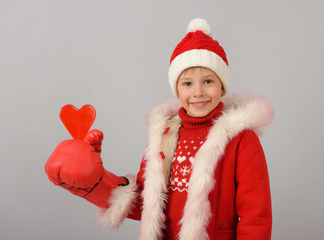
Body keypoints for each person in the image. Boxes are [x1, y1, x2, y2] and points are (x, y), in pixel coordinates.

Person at [45, 18, 273, 240]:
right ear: (177, 89)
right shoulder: (163, 136)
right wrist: (97, 181)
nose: (198, 92)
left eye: (208, 81)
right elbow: (144, 202)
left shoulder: (242, 140)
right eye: (187, 83)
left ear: (222, 86)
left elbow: (256, 215)